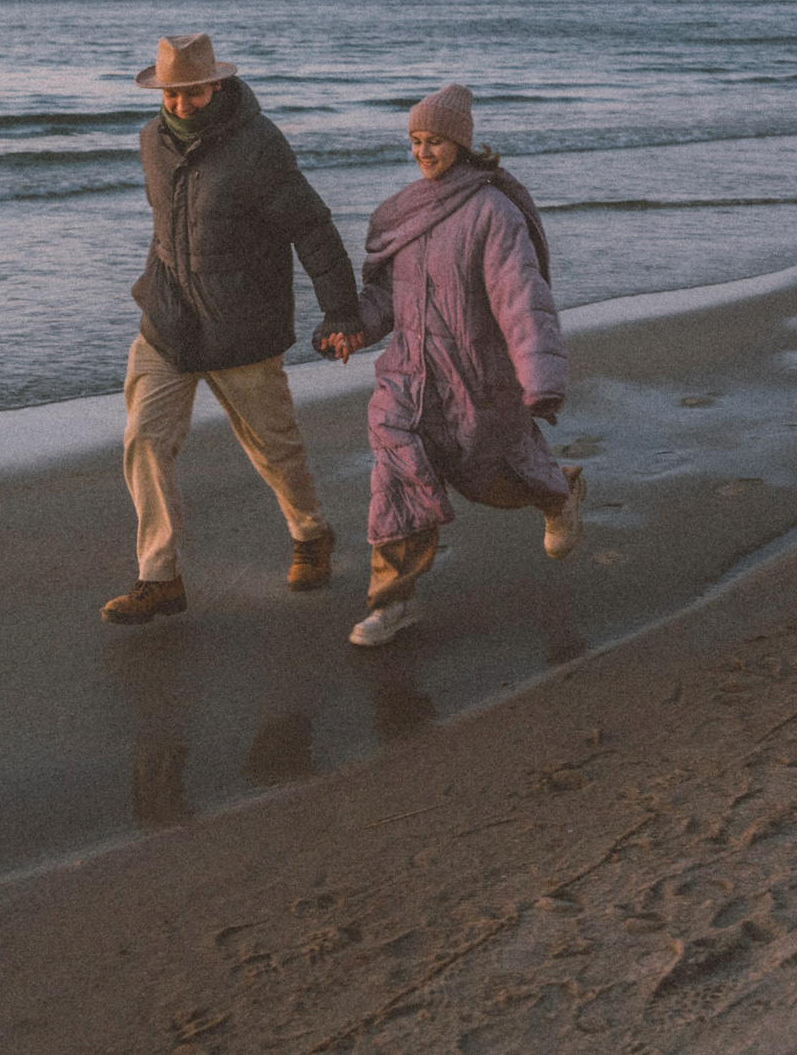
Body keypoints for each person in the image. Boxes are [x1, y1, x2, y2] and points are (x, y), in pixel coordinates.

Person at [103, 33, 366, 625]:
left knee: (273, 448)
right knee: (145, 438)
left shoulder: (258, 147)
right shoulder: (152, 141)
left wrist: (342, 314)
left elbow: (313, 229)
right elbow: (166, 222)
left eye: (191, 93)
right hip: (168, 319)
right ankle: (158, 576)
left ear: (216, 84)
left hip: (240, 322)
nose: (179, 106)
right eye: (170, 95)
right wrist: (155, 282)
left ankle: (310, 534)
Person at [318, 83, 584, 646]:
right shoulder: (405, 211)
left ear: (460, 144)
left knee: (488, 479)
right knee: (396, 481)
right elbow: (388, 295)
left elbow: (521, 298)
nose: (422, 152)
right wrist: (355, 329)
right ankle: (393, 603)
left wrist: (541, 379)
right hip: (405, 378)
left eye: (434, 141)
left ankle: (558, 491)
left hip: (473, 379)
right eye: (415, 141)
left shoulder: (492, 212)